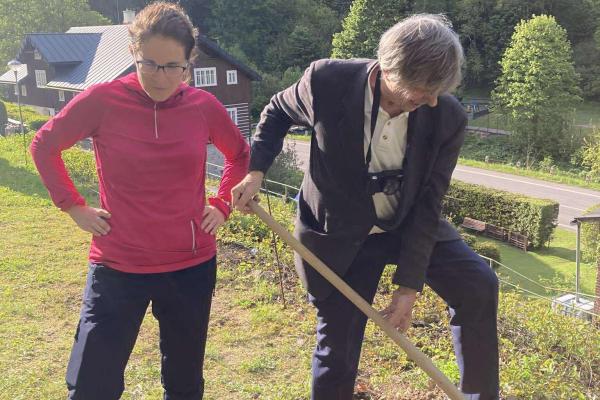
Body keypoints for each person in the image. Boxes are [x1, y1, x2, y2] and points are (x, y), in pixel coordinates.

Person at [232, 14, 499, 400]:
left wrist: (409, 285)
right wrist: (256, 171)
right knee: (337, 348)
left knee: (478, 285)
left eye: (438, 91)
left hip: (406, 221)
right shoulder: (326, 81)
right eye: (423, 90)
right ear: (390, 70)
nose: (431, 99)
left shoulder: (447, 115)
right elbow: (276, 112)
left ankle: (479, 396)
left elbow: (429, 201)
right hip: (340, 230)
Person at [30, 3, 250, 399]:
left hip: (190, 264)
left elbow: (239, 154)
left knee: (184, 383)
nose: (160, 77)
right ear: (133, 53)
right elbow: (44, 145)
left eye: (173, 66)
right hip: (118, 263)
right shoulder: (102, 99)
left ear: (189, 62)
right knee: (91, 383)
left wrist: (222, 204)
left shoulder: (203, 106)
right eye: (149, 63)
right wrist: (73, 206)